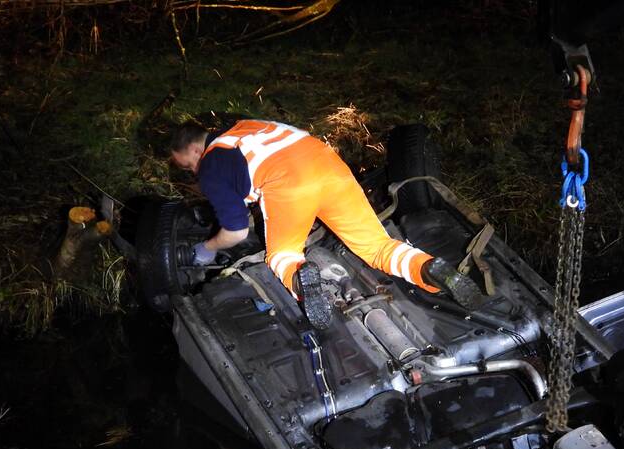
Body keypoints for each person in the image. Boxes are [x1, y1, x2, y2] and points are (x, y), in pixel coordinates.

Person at [169, 120, 484, 329]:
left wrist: (206, 248)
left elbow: (236, 232)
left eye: (188, 165)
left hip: (287, 183)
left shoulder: (211, 164)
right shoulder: (245, 127)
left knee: (283, 255)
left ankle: (304, 285)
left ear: (196, 150)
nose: (193, 171)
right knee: (377, 246)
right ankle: (431, 270)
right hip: (330, 166)